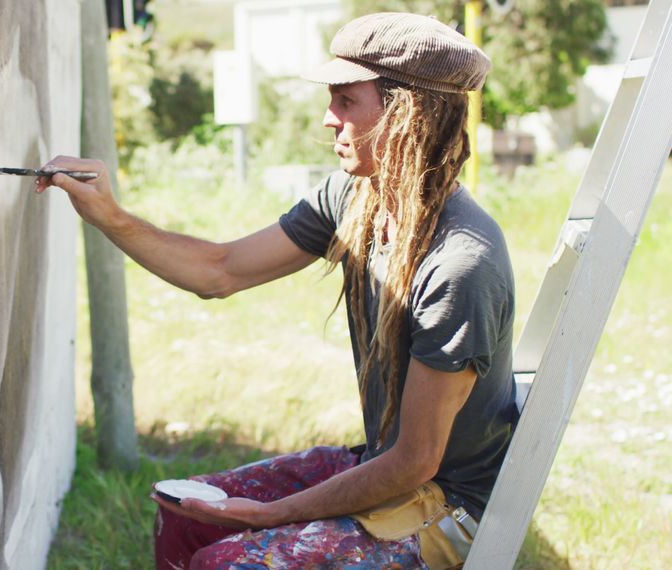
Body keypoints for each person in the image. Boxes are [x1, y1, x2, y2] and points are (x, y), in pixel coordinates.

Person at [37, 12, 516, 569]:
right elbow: (221, 269)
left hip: (444, 509)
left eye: (345, 101)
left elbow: (414, 463)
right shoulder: (356, 197)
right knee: (188, 510)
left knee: (227, 562)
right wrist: (108, 216)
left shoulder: (460, 263)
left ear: (409, 114)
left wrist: (271, 514)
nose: (327, 118)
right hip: (389, 468)